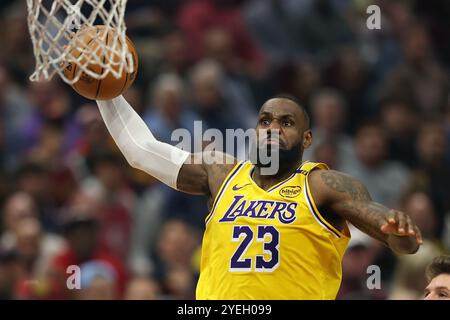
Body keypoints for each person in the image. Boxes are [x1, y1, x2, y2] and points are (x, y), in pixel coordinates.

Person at [95, 95, 422, 299]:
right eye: (265, 121)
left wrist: (399, 232)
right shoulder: (221, 172)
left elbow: (394, 235)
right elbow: (141, 151)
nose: (272, 128)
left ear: (307, 139)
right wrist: (105, 92)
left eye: (286, 122)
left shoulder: (323, 184)